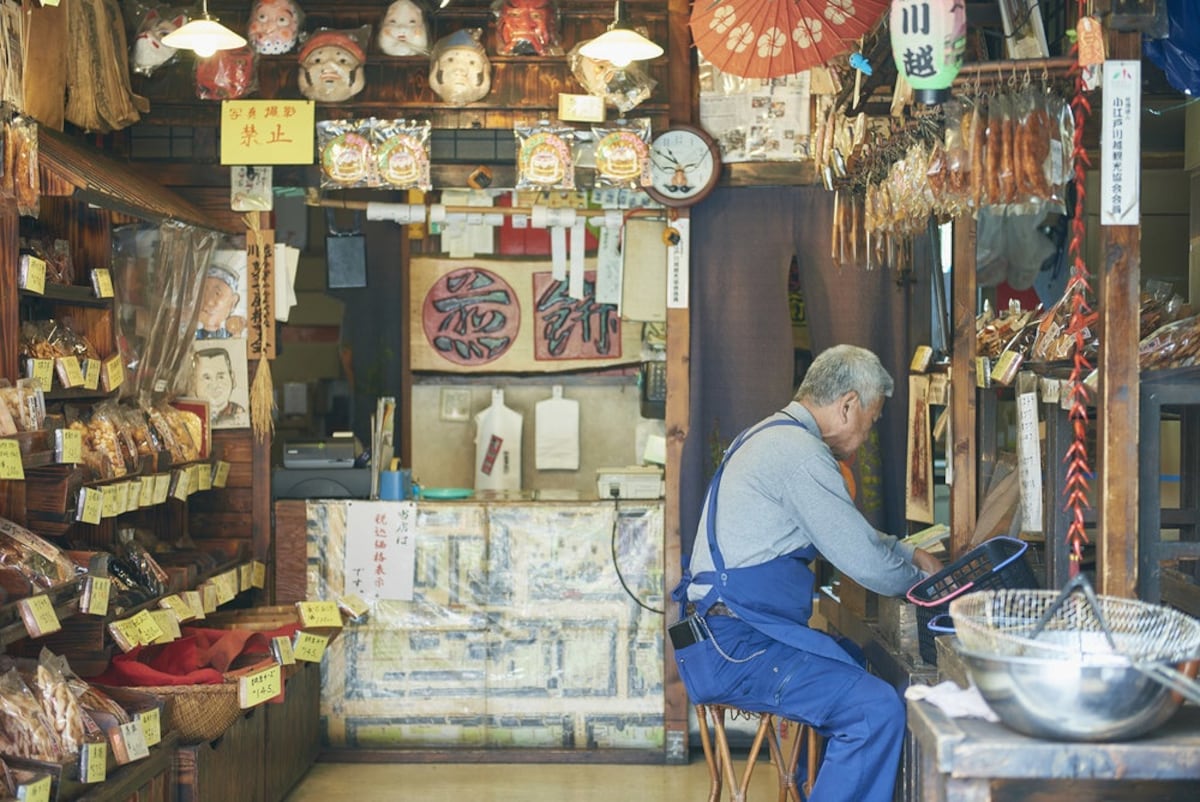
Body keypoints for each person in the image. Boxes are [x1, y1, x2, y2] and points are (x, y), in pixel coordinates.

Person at [670, 344, 942, 802]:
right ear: (848, 405)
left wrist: (905, 551)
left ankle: (808, 789)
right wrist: (924, 583)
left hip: (724, 636)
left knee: (852, 664)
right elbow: (865, 560)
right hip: (734, 645)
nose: (869, 432)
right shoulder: (798, 453)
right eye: (872, 419)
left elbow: (848, 533)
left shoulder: (771, 436)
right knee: (874, 710)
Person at [193, 347, 249, 428]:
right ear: (193, 382)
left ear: (232, 379)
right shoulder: (190, 415)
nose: (214, 385)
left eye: (221, 377)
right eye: (207, 378)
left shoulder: (240, 414)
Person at [196, 264, 243, 339]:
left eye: (217, 293)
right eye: (203, 292)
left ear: (233, 302)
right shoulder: (191, 333)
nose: (209, 302)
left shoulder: (228, 334)